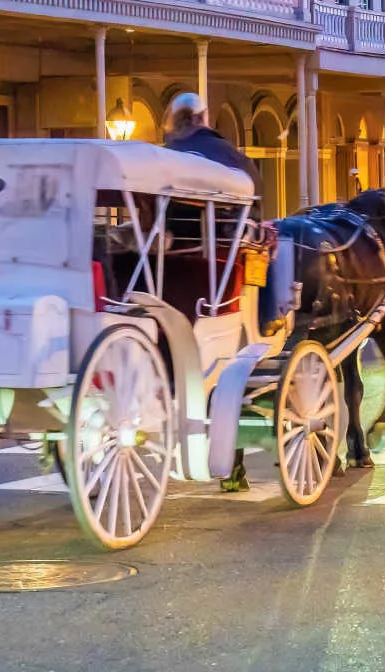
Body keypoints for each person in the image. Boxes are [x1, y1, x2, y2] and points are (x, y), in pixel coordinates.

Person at [162, 92, 259, 493]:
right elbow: (254, 219)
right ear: (204, 117)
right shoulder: (231, 159)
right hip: (215, 281)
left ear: (172, 120)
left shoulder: (160, 156)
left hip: (153, 270)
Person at [162, 92, 264, 198]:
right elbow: (255, 188)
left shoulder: (163, 154)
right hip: (219, 212)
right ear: (199, 118)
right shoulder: (226, 150)